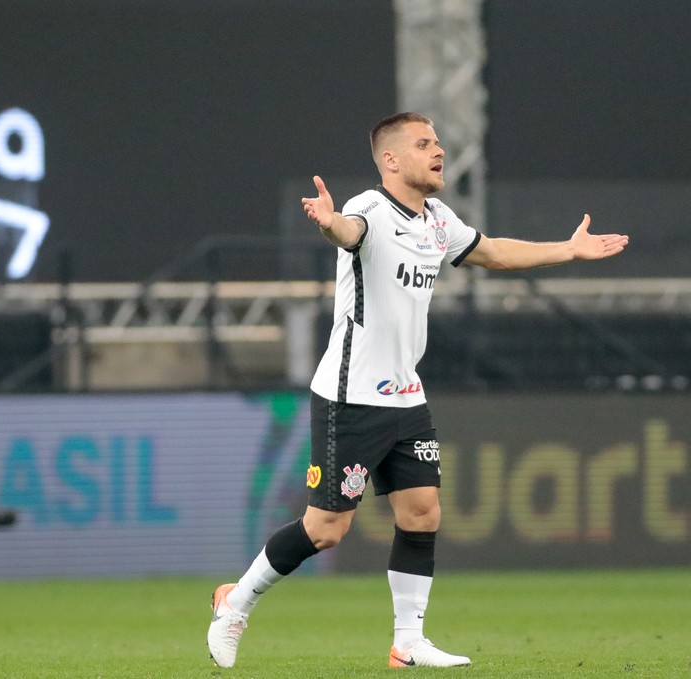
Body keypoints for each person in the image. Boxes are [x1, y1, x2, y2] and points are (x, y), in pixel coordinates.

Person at [206, 112, 629, 669]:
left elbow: (495, 252)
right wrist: (329, 223)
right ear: (391, 159)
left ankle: (408, 642)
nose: (439, 152)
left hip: (406, 394)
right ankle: (236, 600)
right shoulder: (367, 211)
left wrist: (567, 251)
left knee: (423, 512)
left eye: (438, 143)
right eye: (424, 144)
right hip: (350, 396)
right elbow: (347, 233)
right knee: (326, 530)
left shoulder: (437, 219)